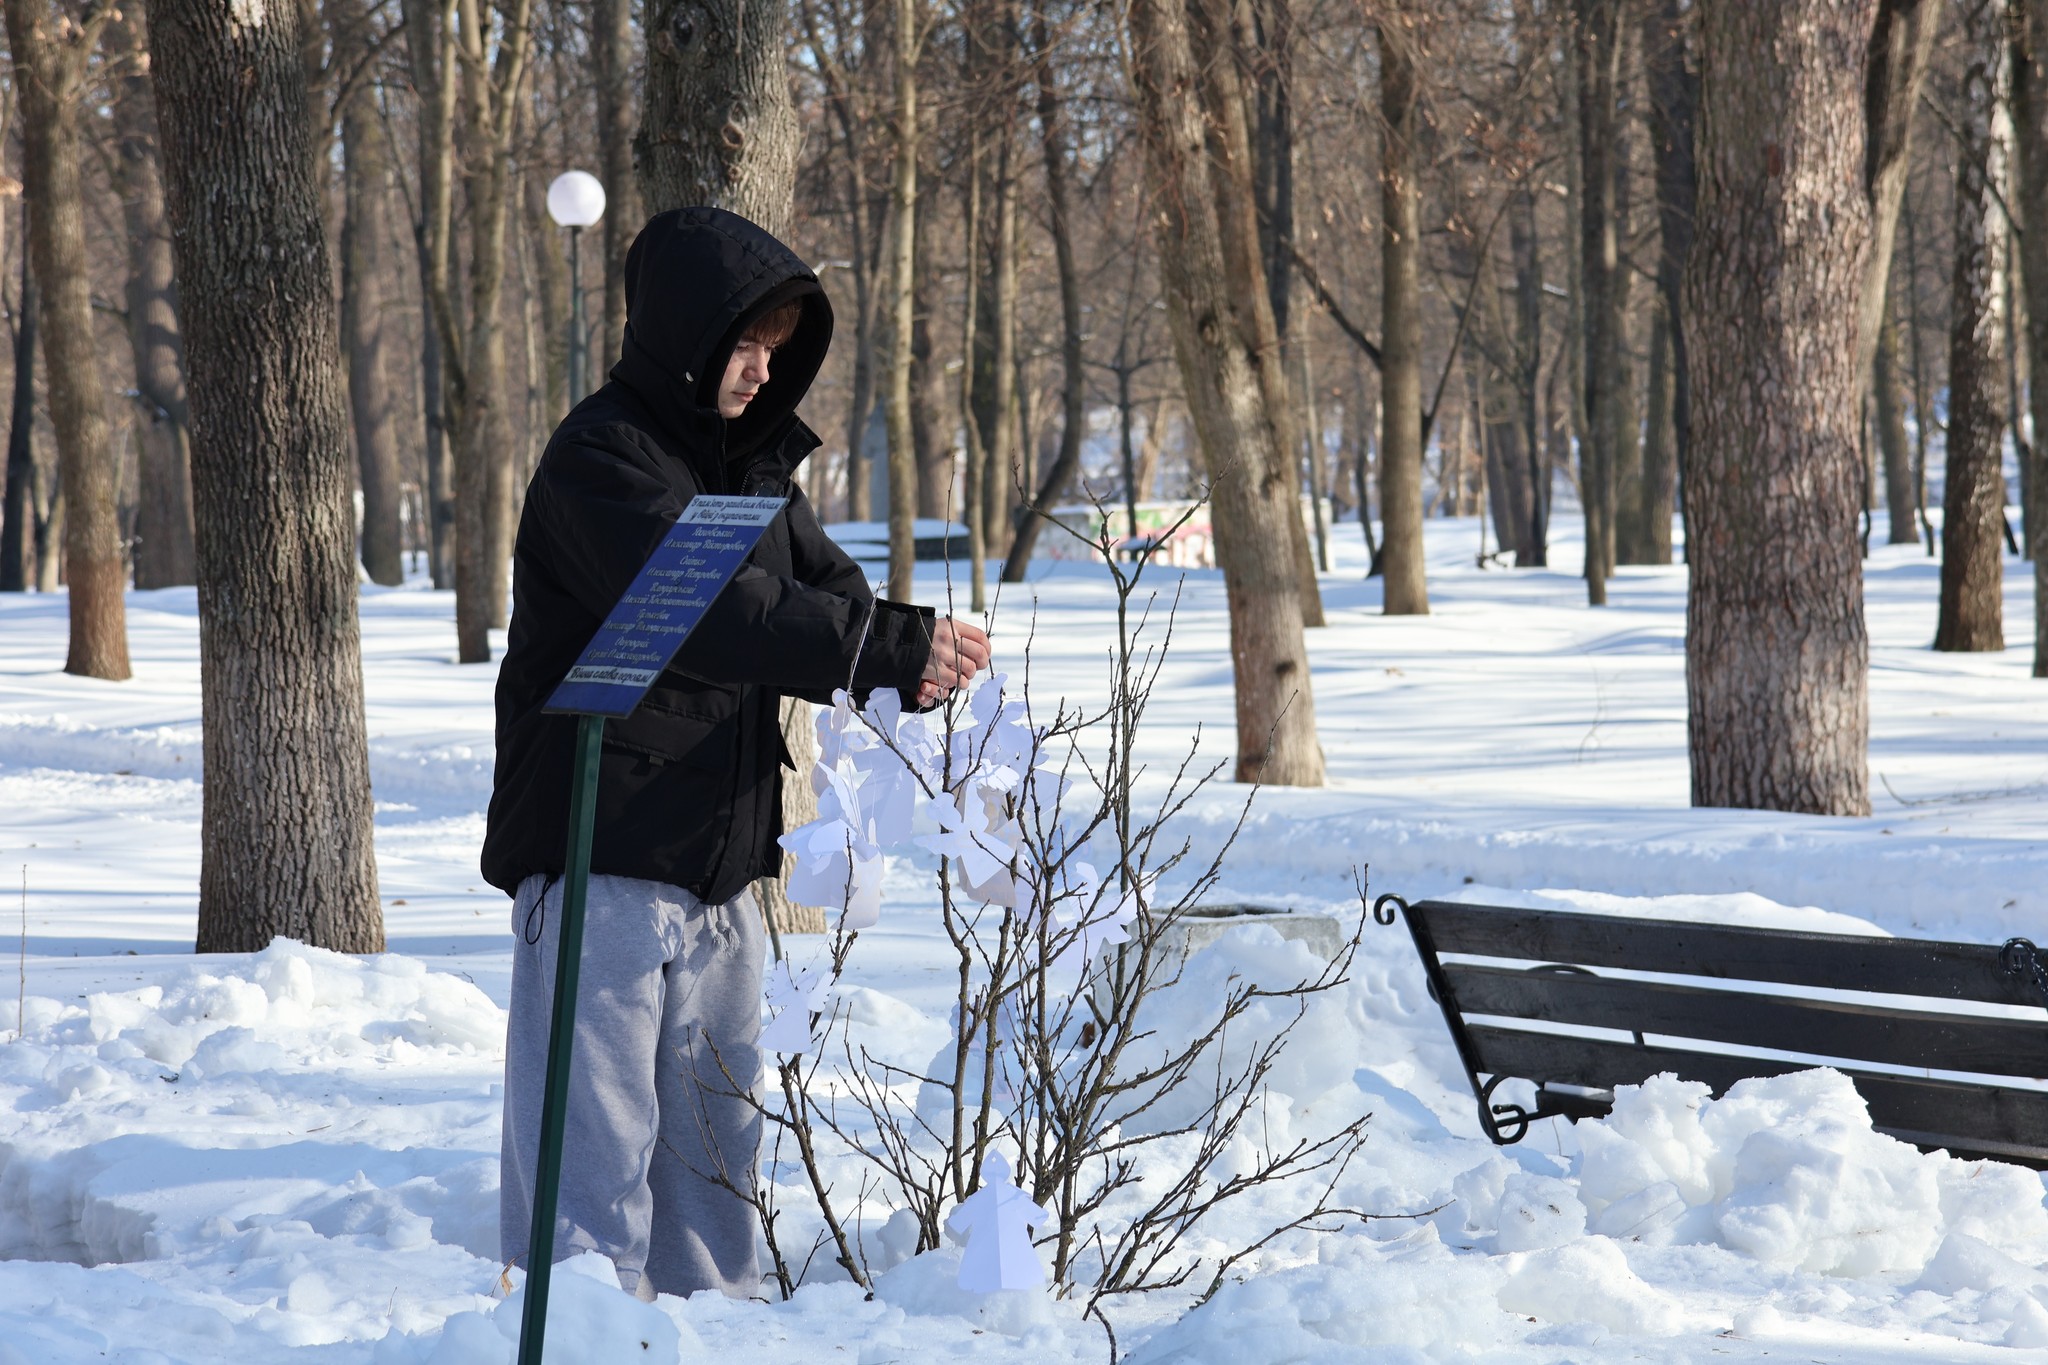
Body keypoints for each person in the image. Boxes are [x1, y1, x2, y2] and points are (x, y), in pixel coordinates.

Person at [483, 206, 990, 1302]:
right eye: (744, 344)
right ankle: (578, 1338)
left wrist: (903, 649)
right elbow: (709, 608)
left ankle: (721, 1334)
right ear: (683, 334)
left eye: (777, 348)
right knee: (590, 1169)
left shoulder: (750, 473)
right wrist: (871, 646)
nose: (761, 371)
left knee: (716, 1163)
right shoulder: (601, 458)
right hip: (599, 856)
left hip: (719, 867)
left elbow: (830, 595)